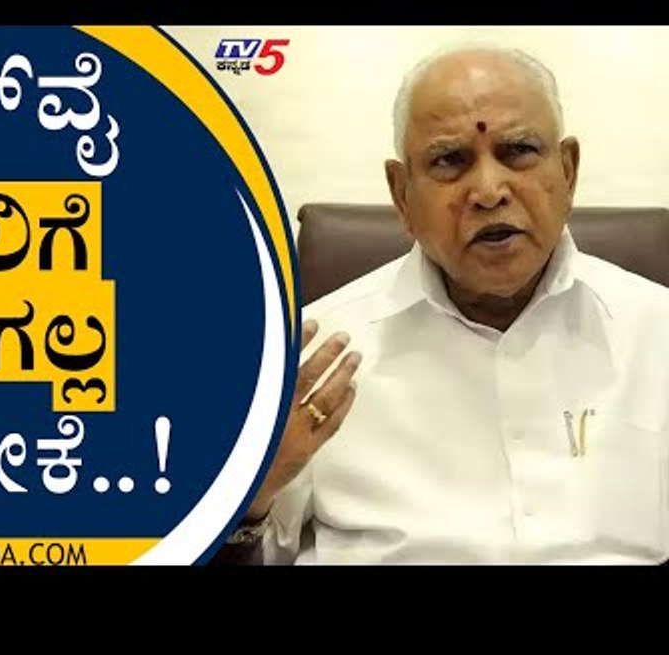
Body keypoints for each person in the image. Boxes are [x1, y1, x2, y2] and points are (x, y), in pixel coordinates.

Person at [218, 44, 669, 565]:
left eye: (519, 150)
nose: (489, 191)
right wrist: (248, 496)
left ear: (568, 172)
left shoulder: (656, 332)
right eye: (450, 161)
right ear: (402, 194)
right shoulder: (311, 367)